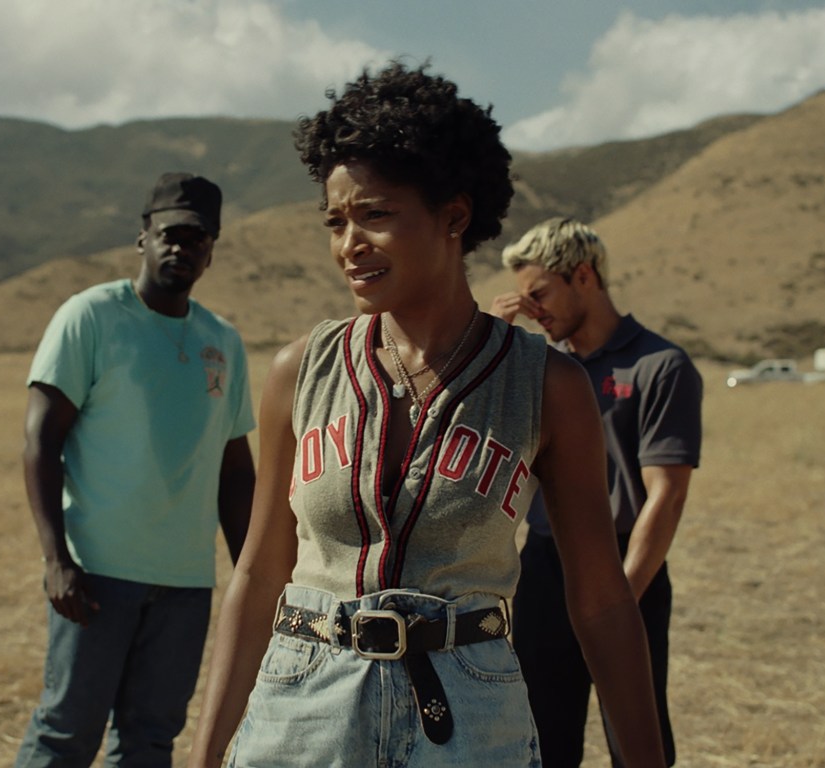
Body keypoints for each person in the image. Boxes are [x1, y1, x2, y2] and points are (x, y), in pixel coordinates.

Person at [186, 61, 666, 768]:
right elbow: (260, 575)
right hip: (303, 708)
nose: (349, 243)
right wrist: (203, 755)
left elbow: (600, 597)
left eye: (375, 214)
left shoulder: (546, 385)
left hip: (469, 715)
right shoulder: (301, 371)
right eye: (335, 221)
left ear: (454, 216)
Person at [14, 172, 256, 767]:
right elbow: (40, 441)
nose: (182, 248)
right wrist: (57, 561)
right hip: (97, 574)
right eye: (170, 234)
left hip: (185, 582)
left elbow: (235, 474)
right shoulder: (91, 316)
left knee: (150, 740)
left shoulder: (222, 342)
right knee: (67, 733)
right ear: (143, 237)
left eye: (197, 238)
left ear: (212, 250)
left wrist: (252, 576)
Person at [490, 217, 703, 768]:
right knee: (539, 740)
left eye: (540, 294)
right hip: (545, 567)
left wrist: (617, 601)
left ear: (583, 276)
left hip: (626, 565)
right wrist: (493, 345)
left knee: (636, 742)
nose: (533, 311)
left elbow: (667, 496)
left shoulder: (660, 365)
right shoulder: (541, 371)